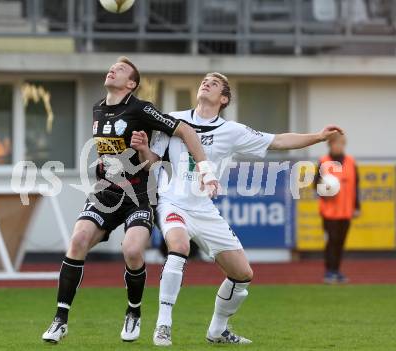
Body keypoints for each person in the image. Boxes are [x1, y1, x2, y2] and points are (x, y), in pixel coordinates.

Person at [130, 72, 343, 345]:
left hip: (204, 209)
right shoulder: (174, 119)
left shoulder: (232, 131)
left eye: (214, 83)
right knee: (179, 246)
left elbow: (277, 141)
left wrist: (318, 136)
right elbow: (152, 163)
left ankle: (217, 331)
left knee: (242, 275)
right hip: (173, 201)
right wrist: (143, 149)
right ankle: (163, 325)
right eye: (205, 80)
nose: (206, 83)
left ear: (224, 98)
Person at [42, 57, 218, 343]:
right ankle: (60, 320)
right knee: (77, 241)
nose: (112, 69)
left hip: (139, 194)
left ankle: (133, 312)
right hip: (106, 192)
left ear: (131, 83)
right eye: (112, 67)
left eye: (121, 69)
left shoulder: (141, 109)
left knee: (133, 250)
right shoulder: (98, 107)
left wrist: (202, 168)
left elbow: (183, 131)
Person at [315, 134, 360, 284]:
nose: (338, 146)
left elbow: (356, 186)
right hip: (329, 212)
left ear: (344, 145)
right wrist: (325, 191)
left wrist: (356, 207)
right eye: (335, 144)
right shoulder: (323, 162)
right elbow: (316, 184)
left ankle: (337, 271)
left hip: (346, 211)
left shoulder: (351, 162)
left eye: (341, 144)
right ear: (330, 145)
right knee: (332, 241)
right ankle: (329, 272)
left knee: (341, 242)